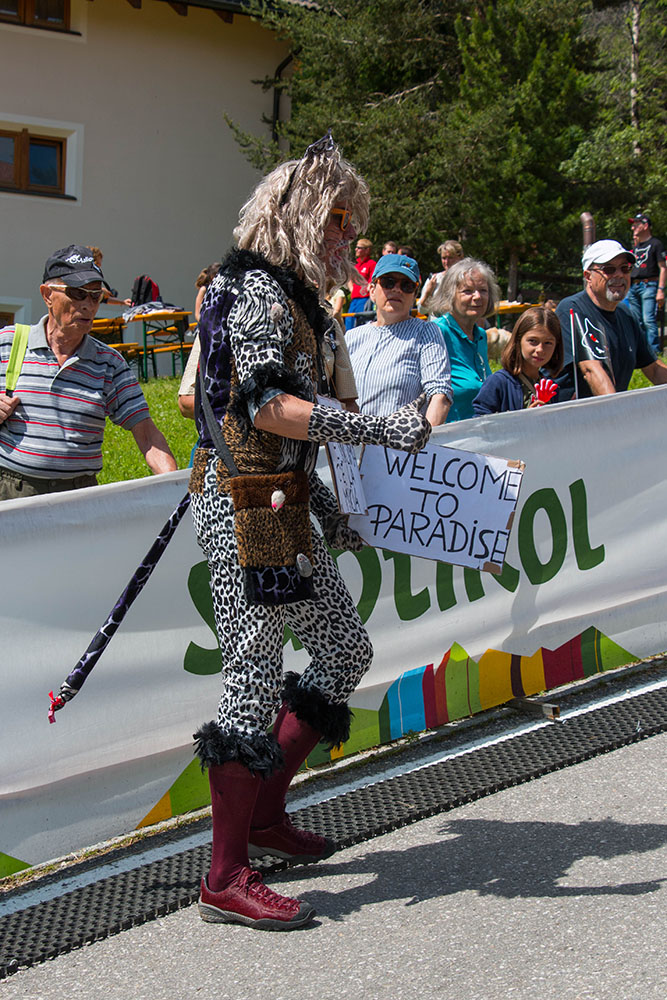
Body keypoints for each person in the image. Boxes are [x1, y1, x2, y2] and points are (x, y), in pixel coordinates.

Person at [189, 134, 432, 931]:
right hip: (238, 501)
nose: (346, 243)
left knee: (342, 649)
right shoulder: (254, 290)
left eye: (352, 228)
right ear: (295, 215)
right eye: (334, 223)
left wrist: (333, 506)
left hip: (284, 499)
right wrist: (375, 435)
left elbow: (303, 427)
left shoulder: (306, 302)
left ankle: (262, 814)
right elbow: (264, 409)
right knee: (253, 672)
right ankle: (225, 876)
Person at [0, 245, 177, 500]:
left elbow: (147, 434)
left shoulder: (109, 363)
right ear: (47, 294)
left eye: (95, 296)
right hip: (12, 493)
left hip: (78, 498)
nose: (88, 305)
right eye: (77, 293)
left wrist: (174, 488)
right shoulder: (8, 343)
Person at [346, 254, 452, 425]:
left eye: (407, 286)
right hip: (351, 446)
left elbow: (440, 396)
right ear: (372, 290)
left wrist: (425, 444)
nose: (397, 290)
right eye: (388, 282)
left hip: (400, 448)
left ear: (414, 295)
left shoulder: (426, 332)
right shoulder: (352, 337)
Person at [554, 239, 667, 400]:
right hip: (571, 418)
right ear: (588, 276)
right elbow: (591, 370)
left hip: (607, 413)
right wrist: (617, 412)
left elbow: (654, 369)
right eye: (609, 269)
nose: (619, 275)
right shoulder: (572, 309)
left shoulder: (625, 314)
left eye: (625, 268)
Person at [431, 257, 500, 422]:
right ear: (450, 294)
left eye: (483, 290)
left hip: (479, 431)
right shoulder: (437, 332)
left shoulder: (481, 336)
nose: (477, 297)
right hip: (447, 436)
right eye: (467, 291)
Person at [473, 306, 563, 414]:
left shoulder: (551, 387)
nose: (540, 349)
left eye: (548, 343)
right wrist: (521, 420)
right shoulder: (498, 383)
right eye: (533, 341)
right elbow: (481, 423)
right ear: (518, 340)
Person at [178, 263, 221, 420]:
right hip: (205, 326)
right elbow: (197, 313)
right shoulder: (205, 290)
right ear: (212, 277)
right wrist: (208, 322)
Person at [624, 213, 666, 355]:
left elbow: (663, 267)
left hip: (649, 285)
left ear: (645, 225)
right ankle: (640, 352)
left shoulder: (656, 244)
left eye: (636, 224)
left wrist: (661, 289)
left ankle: (654, 352)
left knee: (648, 320)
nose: (633, 227)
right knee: (636, 321)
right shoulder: (635, 248)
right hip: (633, 286)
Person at [417, 240, 465, 317]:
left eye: (450, 257)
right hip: (436, 326)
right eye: (444, 258)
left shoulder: (467, 279)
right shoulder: (434, 279)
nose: (447, 261)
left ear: (460, 257)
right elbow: (421, 310)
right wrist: (428, 293)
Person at [345, 237, 376, 330]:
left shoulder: (372, 264)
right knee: (349, 322)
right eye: (356, 247)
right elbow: (349, 277)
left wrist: (367, 289)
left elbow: (373, 280)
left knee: (361, 324)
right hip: (354, 299)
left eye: (359, 247)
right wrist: (352, 289)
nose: (356, 249)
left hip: (364, 299)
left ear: (367, 250)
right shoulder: (356, 265)